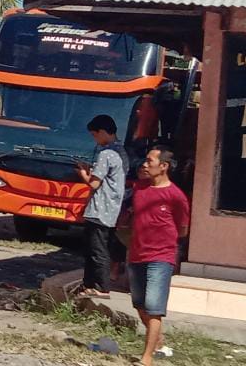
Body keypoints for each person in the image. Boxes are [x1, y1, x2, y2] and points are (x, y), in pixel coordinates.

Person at [128, 148, 190, 366]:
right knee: (139, 304)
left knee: (154, 308)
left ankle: (147, 359)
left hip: (161, 257)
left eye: (149, 161)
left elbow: (182, 229)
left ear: (163, 166)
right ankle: (159, 338)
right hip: (136, 254)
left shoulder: (176, 196)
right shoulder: (139, 188)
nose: (145, 165)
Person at [76, 114, 127, 298]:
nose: (95, 140)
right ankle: (89, 285)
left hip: (100, 209)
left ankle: (101, 287)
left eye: (95, 135)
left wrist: (82, 172)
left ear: (104, 132)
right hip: (112, 209)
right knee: (99, 248)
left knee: (97, 251)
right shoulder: (122, 152)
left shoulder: (106, 154)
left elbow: (94, 183)